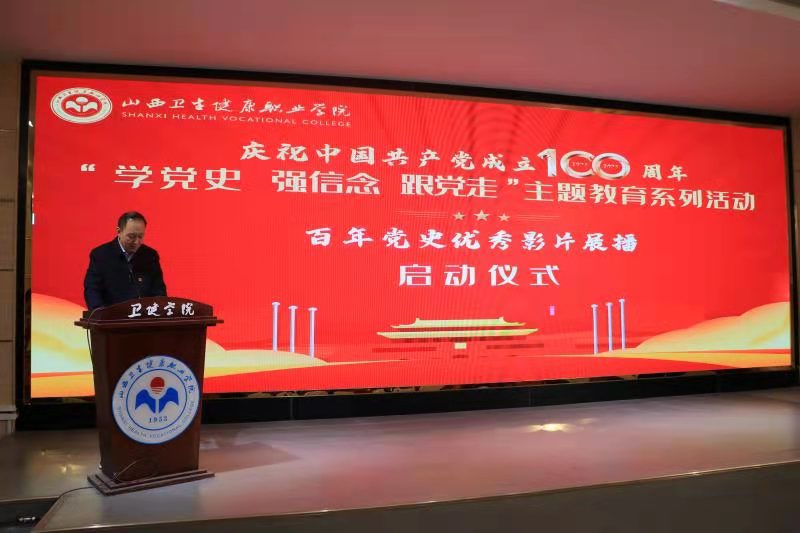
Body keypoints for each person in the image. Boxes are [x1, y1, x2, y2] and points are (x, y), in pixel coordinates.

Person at [83, 211, 167, 310]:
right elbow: (92, 289)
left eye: (140, 236)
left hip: (144, 315)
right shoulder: (101, 255)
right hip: (112, 315)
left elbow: (159, 290)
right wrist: (99, 311)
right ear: (119, 231)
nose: (136, 242)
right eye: (131, 236)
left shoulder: (150, 256)